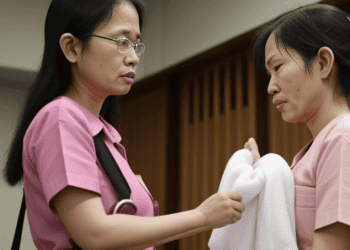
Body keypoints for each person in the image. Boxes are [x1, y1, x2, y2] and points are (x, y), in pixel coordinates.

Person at [2, 0, 245, 249]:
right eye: (121, 42)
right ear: (72, 48)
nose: (133, 58)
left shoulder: (104, 133)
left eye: (136, 45)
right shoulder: (60, 117)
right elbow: (94, 234)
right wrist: (201, 217)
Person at [250, 2, 350, 250]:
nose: (270, 86)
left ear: (323, 62)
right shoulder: (320, 146)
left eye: (278, 67)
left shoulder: (342, 139)